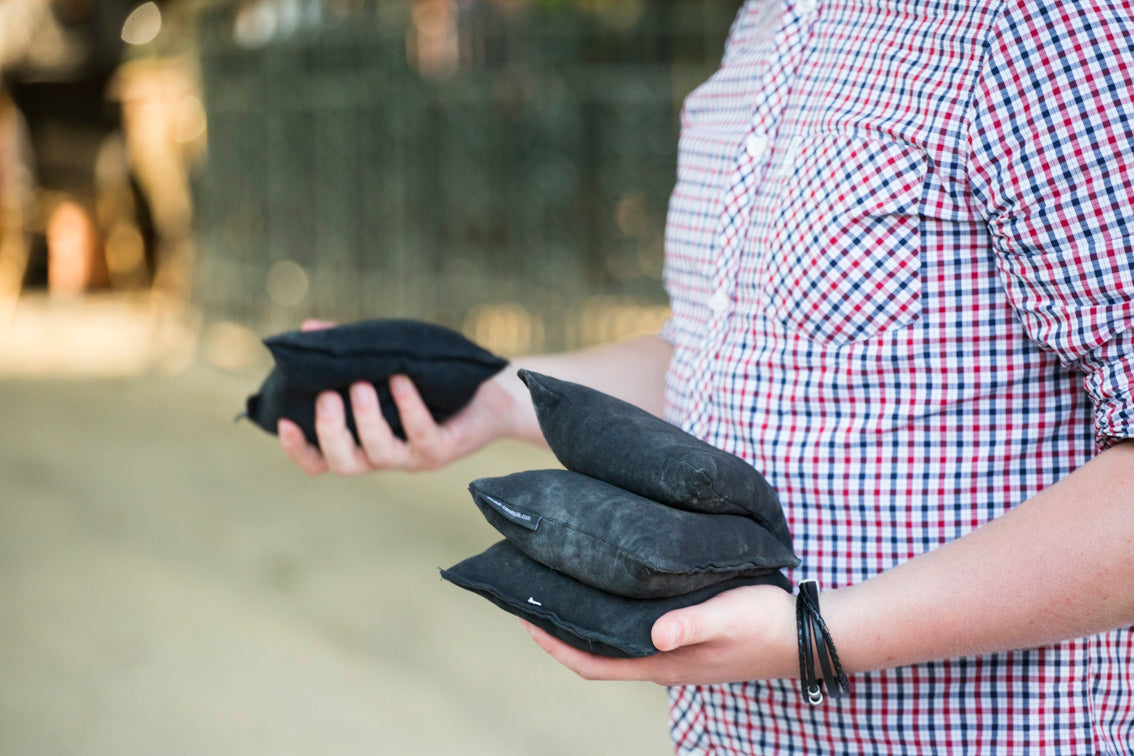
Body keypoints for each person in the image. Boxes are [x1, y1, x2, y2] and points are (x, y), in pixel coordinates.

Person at [279, 0, 1134, 751]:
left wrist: (814, 634)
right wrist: (496, 397)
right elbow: (715, 367)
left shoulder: (1049, 25)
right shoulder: (758, 33)